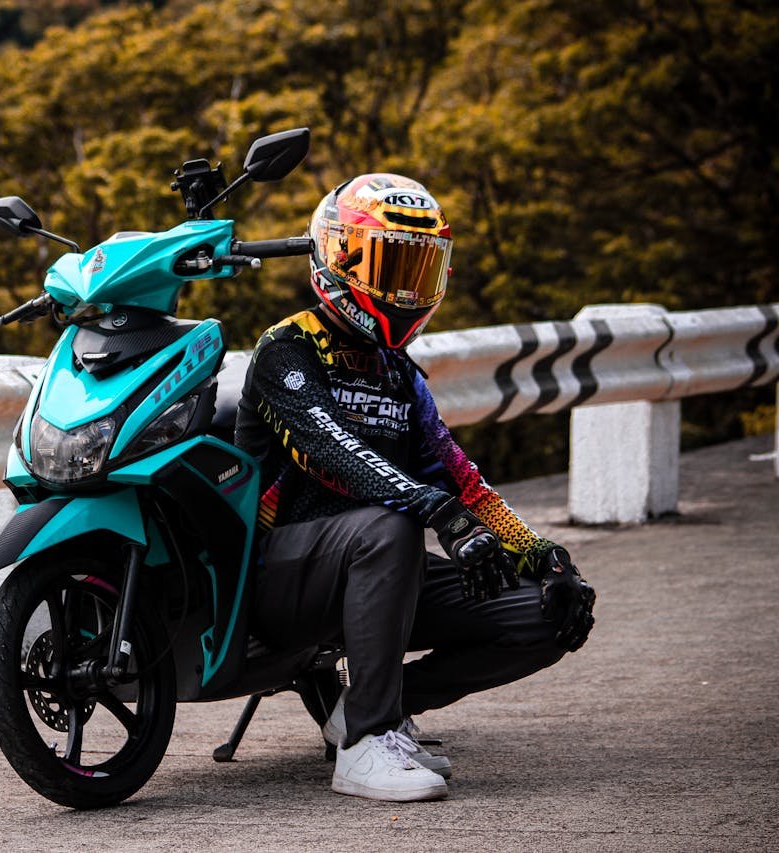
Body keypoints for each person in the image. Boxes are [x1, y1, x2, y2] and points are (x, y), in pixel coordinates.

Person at [234, 174, 596, 802]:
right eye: (390, 264)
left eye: (420, 268)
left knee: (548, 612)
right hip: (279, 582)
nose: (406, 288)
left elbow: (463, 479)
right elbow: (330, 453)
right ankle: (364, 746)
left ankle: (367, 707)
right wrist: (439, 514)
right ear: (339, 257)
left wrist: (544, 555)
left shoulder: (401, 373)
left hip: (385, 567)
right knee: (389, 523)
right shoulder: (287, 348)